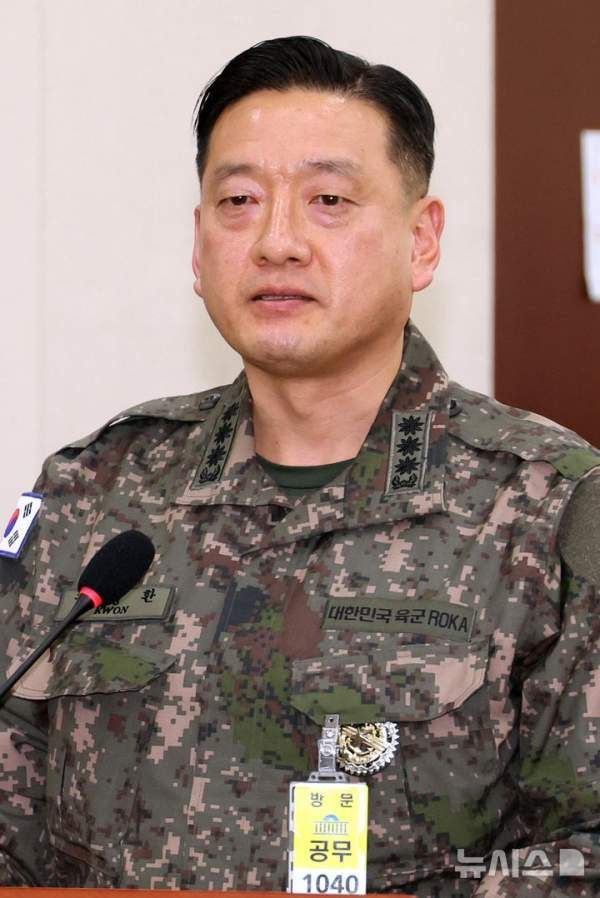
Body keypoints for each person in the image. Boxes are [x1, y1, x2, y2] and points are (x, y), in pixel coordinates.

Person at [1, 34, 599, 897]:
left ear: (422, 240)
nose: (277, 241)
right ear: (199, 245)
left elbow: (584, 851)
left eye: (328, 200)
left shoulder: (547, 506)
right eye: (239, 201)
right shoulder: (93, 494)